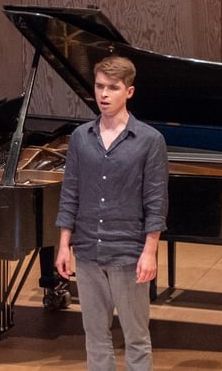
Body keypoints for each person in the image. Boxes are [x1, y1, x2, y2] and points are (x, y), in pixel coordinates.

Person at [54, 55, 168, 371]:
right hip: (89, 249)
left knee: (136, 338)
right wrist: (64, 244)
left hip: (128, 252)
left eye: (113, 88)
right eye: (99, 86)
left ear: (128, 92)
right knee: (95, 337)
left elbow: (156, 201)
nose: (104, 95)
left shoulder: (149, 140)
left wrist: (150, 252)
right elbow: (70, 193)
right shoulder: (80, 138)